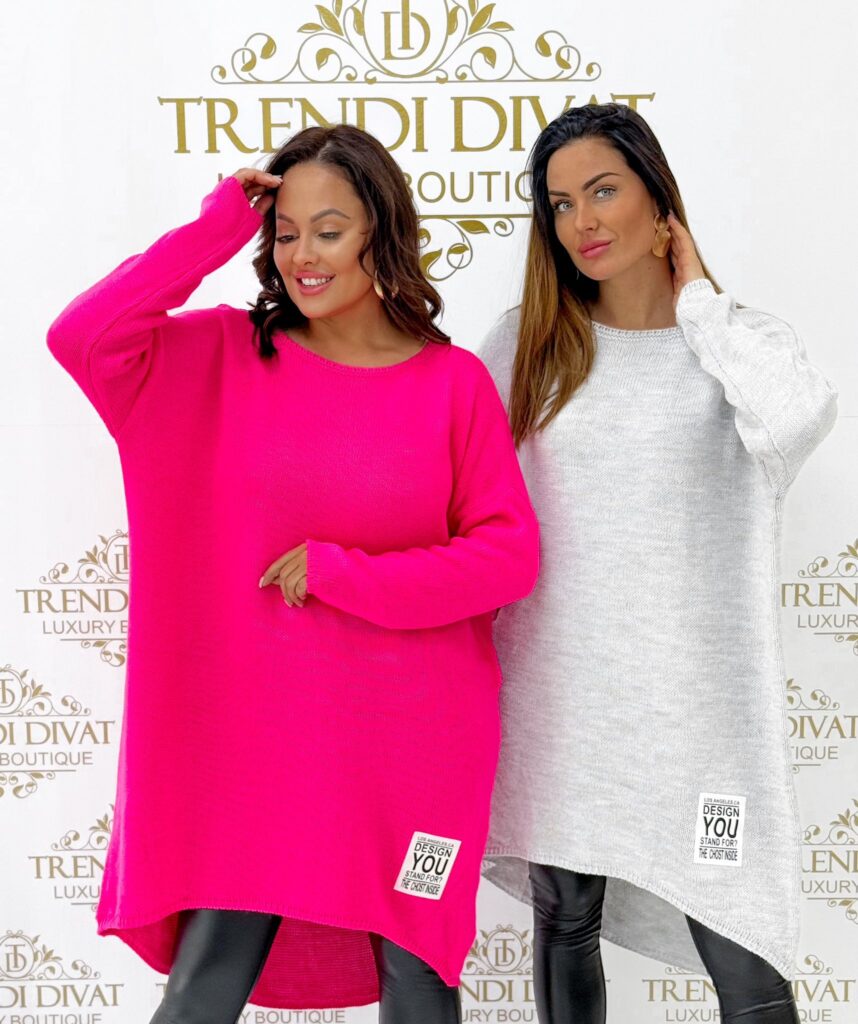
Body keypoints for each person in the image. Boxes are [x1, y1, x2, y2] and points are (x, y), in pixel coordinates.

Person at [46, 124, 539, 1024]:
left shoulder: (452, 383)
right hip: (260, 746)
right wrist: (218, 227)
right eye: (286, 233)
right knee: (203, 987)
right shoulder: (221, 357)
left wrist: (343, 574)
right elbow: (84, 336)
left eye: (330, 230)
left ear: (382, 234)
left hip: (418, 747)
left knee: (421, 978)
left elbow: (507, 559)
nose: (303, 255)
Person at [476, 103, 837, 1024]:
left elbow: (797, 421)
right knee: (565, 919)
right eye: (561, 204)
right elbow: (464, 496)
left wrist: (699, 304)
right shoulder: (526, 343)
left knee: (747, 954)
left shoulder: (739, 343)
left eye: (603, 191)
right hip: (560, 696)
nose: (582, 222)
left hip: (700, 716)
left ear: (657, 200)